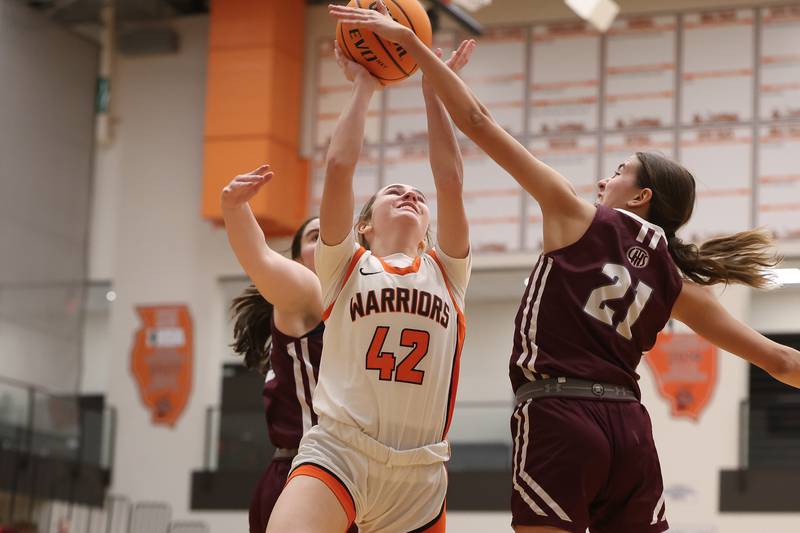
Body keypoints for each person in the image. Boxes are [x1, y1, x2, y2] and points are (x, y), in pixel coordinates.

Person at [329, 4, 800, 533]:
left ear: (641, 196)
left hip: (560, 415)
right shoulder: (675, 279)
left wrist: (413, 46)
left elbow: (478, 122)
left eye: (618, 173)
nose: (603, 182)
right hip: (630, 427)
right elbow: (781, 360)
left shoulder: (577, 215)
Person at [266, 39, 475, 533]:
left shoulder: (448, 271)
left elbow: (449, 178)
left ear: (428, 227)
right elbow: (339, 168)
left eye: (417, 195)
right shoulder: (345, 264)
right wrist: (363, 86)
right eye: (393, 191)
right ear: (363, 225)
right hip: (341, 452)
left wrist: (432, 91)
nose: (410, 194)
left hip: (419, 472)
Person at [222, 175, 357, 533]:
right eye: (315, 236)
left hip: (356, 474)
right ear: (296, 260)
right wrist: (235, 208)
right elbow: (261, 257)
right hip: (305, 472)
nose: (328, 240)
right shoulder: (306, 292)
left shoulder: (363, 303)